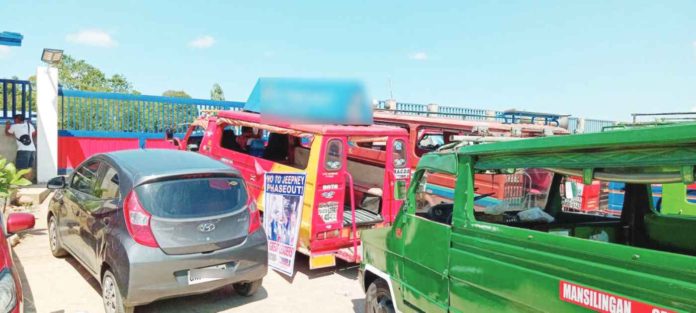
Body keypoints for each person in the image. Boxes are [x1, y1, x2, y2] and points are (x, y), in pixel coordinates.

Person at [4, 114, 36, 181]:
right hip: (32, 149)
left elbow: (7, 134)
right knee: (29, 167)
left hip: (23, 150)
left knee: (21, 168)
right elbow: (34, 134)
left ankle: (22, 182)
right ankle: (28, 181)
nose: (14, 121)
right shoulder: (29, 125)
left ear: (17, 119)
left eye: (14, 119)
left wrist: (7, 126)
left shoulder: (14, 126)